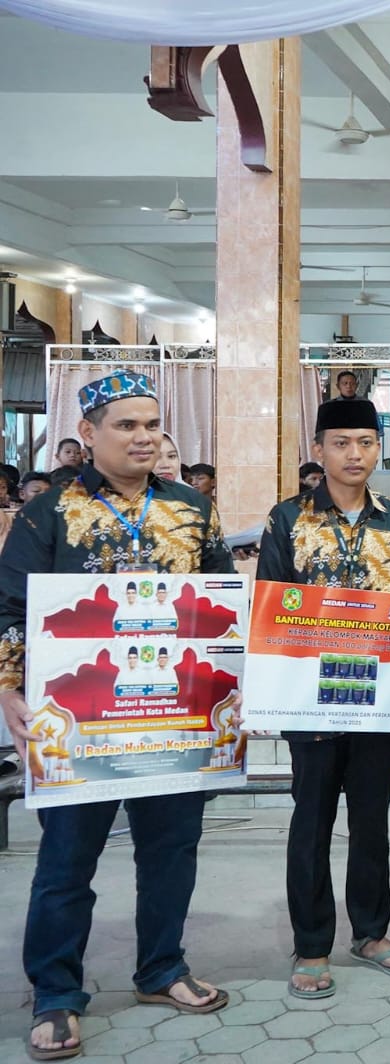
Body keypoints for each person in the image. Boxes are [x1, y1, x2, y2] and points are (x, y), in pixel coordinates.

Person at [0, 370, 234, 1060]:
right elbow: (11, 609)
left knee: (171, 850)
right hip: (77, 716)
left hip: (174, 711)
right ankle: (57, 993)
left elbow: (221, 602)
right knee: (68, 858)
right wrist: (8, 689)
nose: (143, 437)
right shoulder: (46, 515)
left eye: (151, 424)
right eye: (126, 425)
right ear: (89, 435)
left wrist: (236, 682)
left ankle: (161, 969)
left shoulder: (193, 508)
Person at [256, 397, 390, 999]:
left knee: (372, 817)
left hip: (378, 698)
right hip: (310, 698)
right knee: (310, 820)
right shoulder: (287, 520)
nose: (354, 454)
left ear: (378, 448)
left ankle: (371, 932)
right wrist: (269, 698)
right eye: (341, 442)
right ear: (319, 449)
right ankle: (311, 945)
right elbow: (269, 610)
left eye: (365, 441)